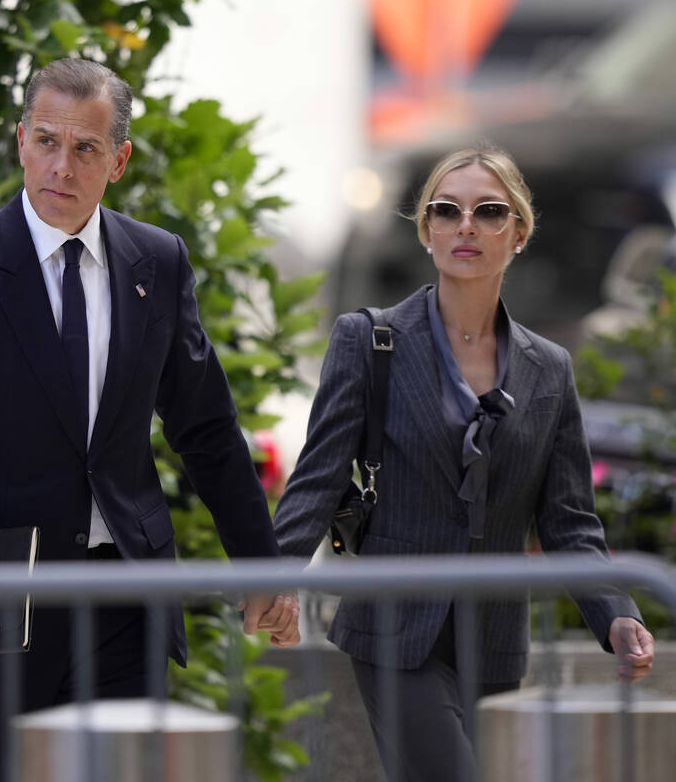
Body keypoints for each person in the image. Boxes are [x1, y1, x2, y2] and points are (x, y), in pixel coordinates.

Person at [0, 57, 300, 781]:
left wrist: (261, 565)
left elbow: (207, 429)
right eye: (46, 141)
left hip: (122, 601)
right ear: (21, 141)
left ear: (120, 160)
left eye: (86, 148)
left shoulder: (156, 263)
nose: (61, 166)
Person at [271, 146, 656, 782]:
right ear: (426, 231)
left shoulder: (550, 370)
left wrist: (615, 614)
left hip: (495, 640)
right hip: (394, 626)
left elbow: (569, 522)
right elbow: (318, 477)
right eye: (446, 211)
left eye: (489, 212)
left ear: (520, 232)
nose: (466, 226)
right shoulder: (368, 339)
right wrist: (274, 576)